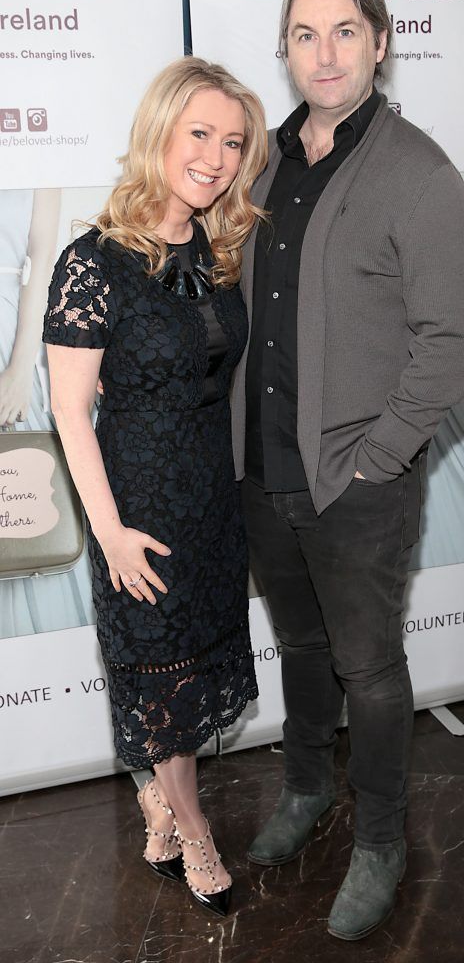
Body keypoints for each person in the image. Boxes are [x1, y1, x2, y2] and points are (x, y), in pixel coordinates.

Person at [229, 0, 464, 940]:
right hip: (263, 469)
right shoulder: (269, 161)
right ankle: (304, 792)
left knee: (370, 671)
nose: (324, 52)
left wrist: (378, 455)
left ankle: (379, 838)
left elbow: (455, 339)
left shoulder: (416, 174)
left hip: (356, 486)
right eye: (304, 34)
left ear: (379, 43)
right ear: (287, 50)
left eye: (344, 31)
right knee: (298, 646)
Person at [43, 57, 267, 917]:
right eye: (199, 132)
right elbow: (69, 412)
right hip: (137, 515)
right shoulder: (91, 262)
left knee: (193, 673)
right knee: (166, 687)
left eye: (233, 141)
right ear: (160, 134)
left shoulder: (222, 245)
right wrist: (110, 534)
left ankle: (159, 809)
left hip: (211, 504)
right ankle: (195, 829)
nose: (215, 156)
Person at [0, 188, 93, 636]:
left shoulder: (38, 152)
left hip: (14, 329)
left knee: (33, 488)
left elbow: (42, 269)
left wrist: (19, 369)